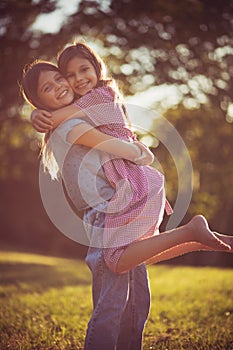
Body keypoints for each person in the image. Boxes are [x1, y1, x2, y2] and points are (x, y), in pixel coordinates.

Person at [31, 42, 232, 276]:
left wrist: (37, 113)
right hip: (136, 177)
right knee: (138, 253)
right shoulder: (96, 97)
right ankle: (205, 239)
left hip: (129, 178)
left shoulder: (98, 97)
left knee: (116, 260)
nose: (79, 78)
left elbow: (56, 118)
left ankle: (191, 232)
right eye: (70, 75)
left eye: (84, 70)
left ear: (97, 68)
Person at [21, 61, 155, 350]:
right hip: (105, 210)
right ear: (40, 101)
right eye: (48, 87)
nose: (60, 86)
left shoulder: (86, 108)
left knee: (136, 296)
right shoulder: (70, 123)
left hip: (120, 206)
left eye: (60, 78)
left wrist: (38, 115)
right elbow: (111, 143)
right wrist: (140, 152)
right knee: (114, 295)